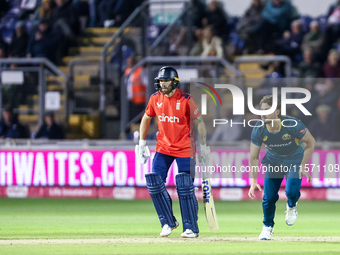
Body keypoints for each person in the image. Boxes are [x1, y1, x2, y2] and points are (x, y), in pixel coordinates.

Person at [135, 66, 209, 238]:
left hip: (185, 148)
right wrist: (142, 143)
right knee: (155, 183)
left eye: (166, 80)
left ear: (175, 82)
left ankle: (190, 228)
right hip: (163, 147)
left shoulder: (186, 100)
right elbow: (146, 117)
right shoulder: (155, 98)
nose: (163, 84)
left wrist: (204, 146)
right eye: (161, 81)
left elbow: (200, 122)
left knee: (185, 186)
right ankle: (168, 222)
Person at [248, 95, 315, 240]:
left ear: (277, 112)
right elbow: (253, 157)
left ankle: (291, 205)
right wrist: (253, 181)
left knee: (290, 192)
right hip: (273, 162)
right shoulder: (259, 129)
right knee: (269, 197)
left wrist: (303, 165)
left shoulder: (292, 124)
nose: (263, 113)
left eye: (267, 110)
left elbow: (311, 142)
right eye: (262, 110)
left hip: (294, 161)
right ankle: (267, 227)